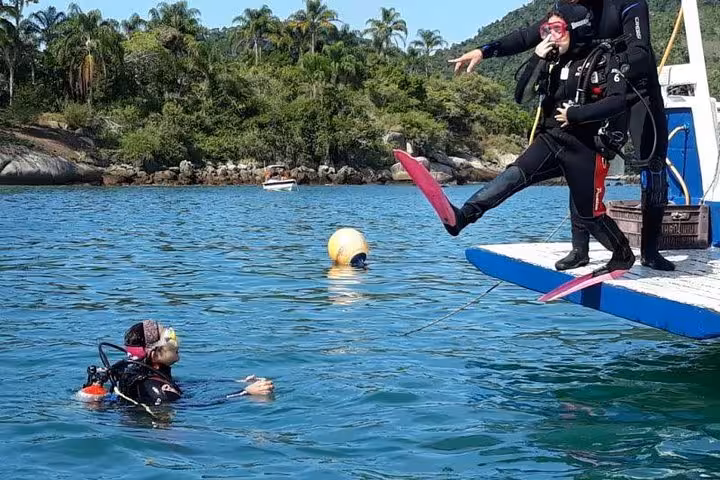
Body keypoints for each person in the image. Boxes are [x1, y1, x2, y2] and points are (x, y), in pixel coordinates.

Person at [450, 0, 674, 272]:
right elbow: (527, 35)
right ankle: (580, 250)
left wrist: (608, 67)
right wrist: (484, 51)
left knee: (651, 163)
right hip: (589, 83)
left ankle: (650, 250)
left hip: (635, 87)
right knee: (577, 152)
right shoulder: (567, 9)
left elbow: (639, 50)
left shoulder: (628, 3)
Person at [81, 321, 274, 407]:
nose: (175, 339)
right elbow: (195, 405)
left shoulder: (135, 369)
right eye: (169, 338)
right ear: (155, 354)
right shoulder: (156, 387)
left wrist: (237, 382)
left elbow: (187, 386)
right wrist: (246, 394)